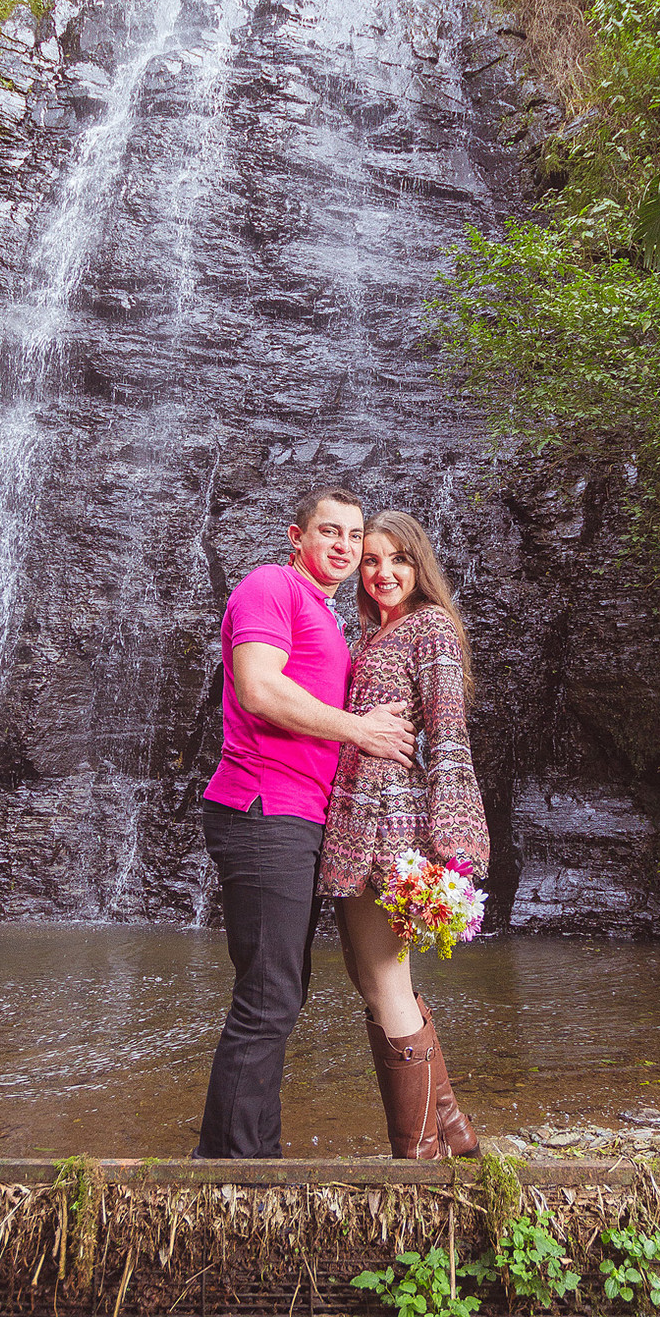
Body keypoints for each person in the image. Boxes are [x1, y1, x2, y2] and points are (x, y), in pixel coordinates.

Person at [195, 487, 416, 1159]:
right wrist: (360, 728)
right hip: (264, 808)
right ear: (298, 536)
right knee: (269, 993)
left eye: (354, 534)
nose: (346, 545)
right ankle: (230, 1165)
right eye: (331, 530)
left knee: (279, 991)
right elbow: (259, 688)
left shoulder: (327, 614)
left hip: (299, 817)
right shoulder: (271, 586)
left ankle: (250, 1154)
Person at [319, 510, 490, 1159]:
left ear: (418, 565)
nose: (382, 571)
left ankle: (417, 1155)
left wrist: (453, 837)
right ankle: (449, 1130)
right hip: (353, 824)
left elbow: (448, 736)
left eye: (396, 558)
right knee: (374, 978)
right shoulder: (365, 638)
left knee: (386, 978)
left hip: (395, 826)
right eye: (370, 560)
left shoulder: (431, 627)